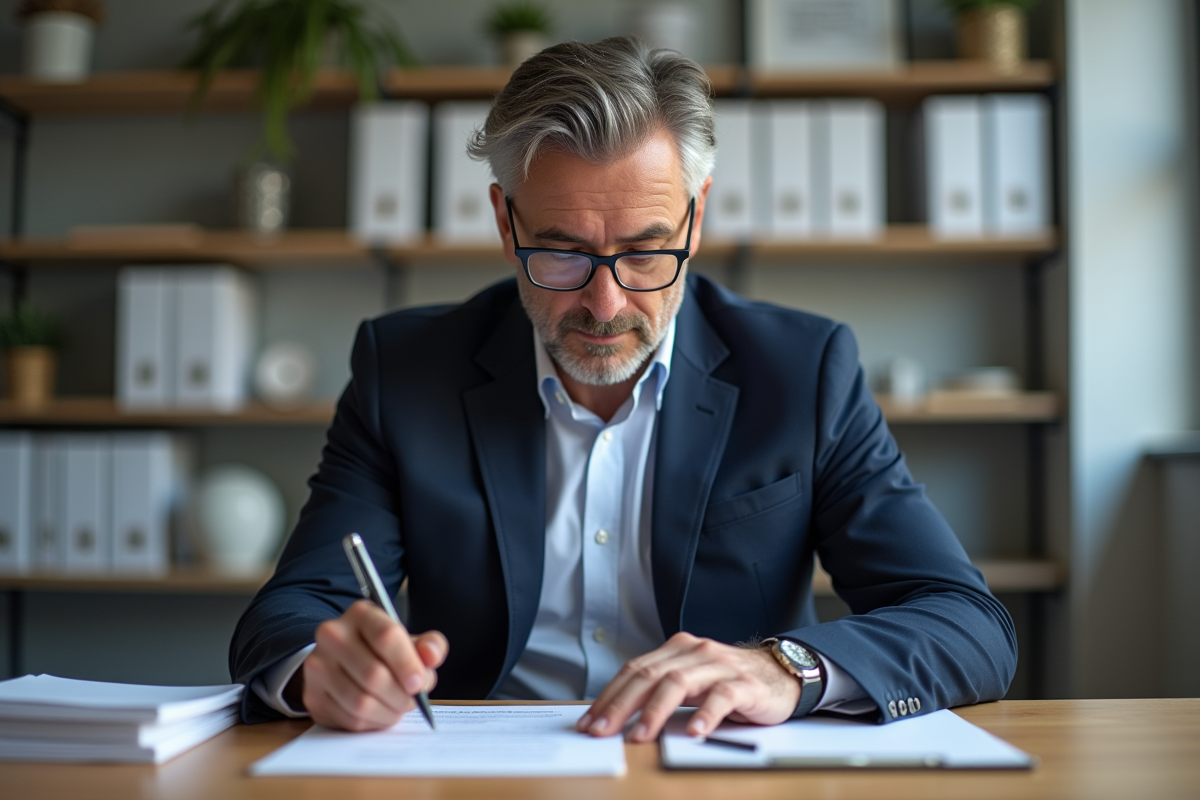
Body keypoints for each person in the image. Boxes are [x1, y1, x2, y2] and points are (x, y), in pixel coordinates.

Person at [230, 36, 1016, 742]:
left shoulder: (805, 371)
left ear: (696, 219)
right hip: (477, 771)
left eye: (646, 253)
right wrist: (319, 669)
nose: (605, 306)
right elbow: (289, 612)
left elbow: (967, 624)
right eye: (562, 254)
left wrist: (789, 670)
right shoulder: (404, 369)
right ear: (506, 224)